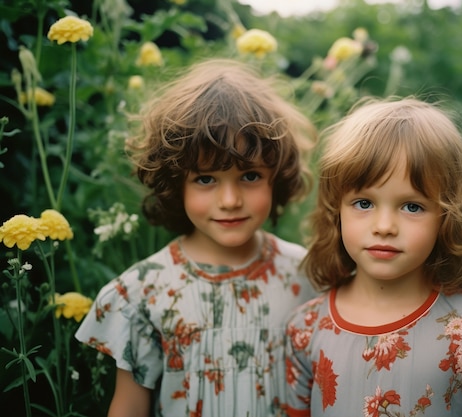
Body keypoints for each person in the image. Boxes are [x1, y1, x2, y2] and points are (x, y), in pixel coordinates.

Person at [75, 58, 318, 417]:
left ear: (276, 177)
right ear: (176, 183)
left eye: (249, 176)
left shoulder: (306, 274)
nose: (231, 200)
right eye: (206, 179)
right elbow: (129, 406)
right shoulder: (144, 291)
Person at [285, 97, 462, 417]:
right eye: (364, 203)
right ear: (335, 211)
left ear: (448, 217)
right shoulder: (306, 329)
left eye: (412, 206)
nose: (384, 227)